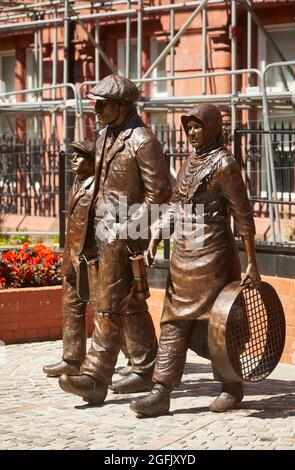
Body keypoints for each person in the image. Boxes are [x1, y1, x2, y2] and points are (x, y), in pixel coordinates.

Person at [129, 103, 261, 417]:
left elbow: (242, 214)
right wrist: (156, 236)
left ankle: (231, 385)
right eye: (188, 126)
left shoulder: (224, 163)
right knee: (173, 320)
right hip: (184, 255)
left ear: (212, 127)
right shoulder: (191, 161)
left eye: (197, 126)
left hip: (213, 256)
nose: (191, 132)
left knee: (219, 323)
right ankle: (161, 391)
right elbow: (175, 207)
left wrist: (253, 262)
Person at [59, 74, 172, 404]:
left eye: (102, 104)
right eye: (94, 103)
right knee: (130, 304)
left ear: (122, 106)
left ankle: (95, 377)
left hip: (125, 235)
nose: (95, 109)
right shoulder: (107, 133)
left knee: (108, 304)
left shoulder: (143, 140)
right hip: (101, 230)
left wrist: (128, 230)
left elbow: (160, 194)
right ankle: (145, 366)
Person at [43, 141, 97, 377]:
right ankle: (72, 359)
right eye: (73, 156)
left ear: (93, 160)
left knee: (108, 311)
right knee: (71, 307)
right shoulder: (77, 182)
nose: (74, 159)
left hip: (91, 257)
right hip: (73, 257)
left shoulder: (99, 186)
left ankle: (139, 359)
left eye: (80, 155)